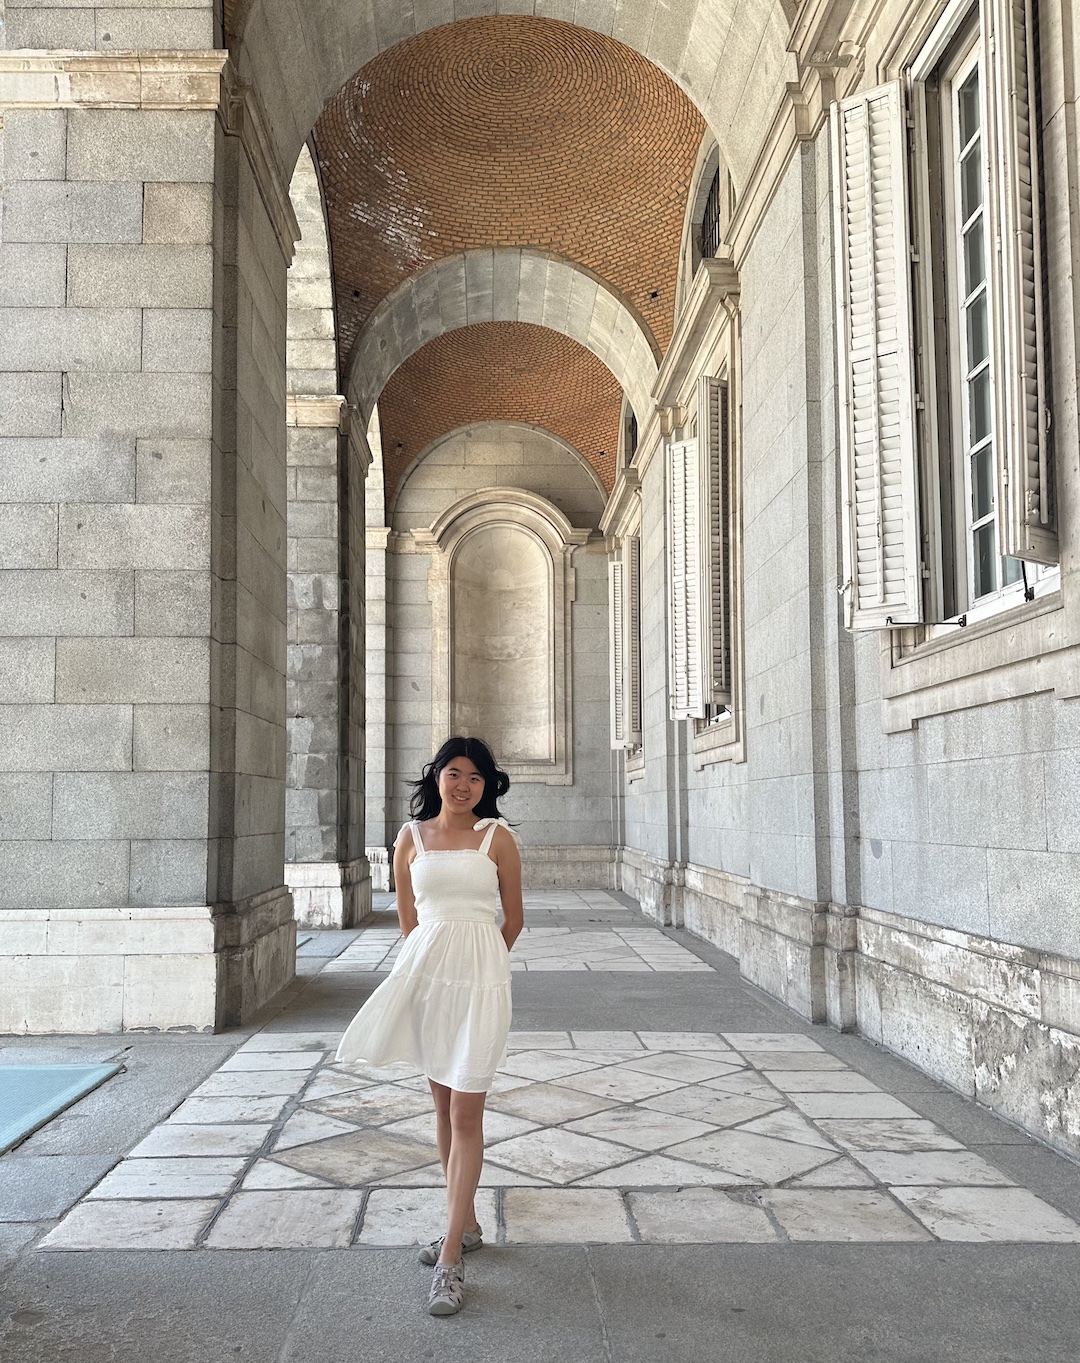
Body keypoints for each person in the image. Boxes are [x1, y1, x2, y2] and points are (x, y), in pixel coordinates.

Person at [335, 735, 523, 1317]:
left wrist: (481, 968)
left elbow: (512, 921)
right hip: (427, 981)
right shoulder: (410, 840)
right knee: (441, 1109)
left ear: (487, 785)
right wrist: (431, 971)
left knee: (467, 1110)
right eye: (453, 773)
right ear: (436, 778)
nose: (463, 785)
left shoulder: (499, 839)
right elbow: (410, 923)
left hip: (480, 985)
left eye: (475, 776)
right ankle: (462, 1223)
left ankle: (449, 1258)